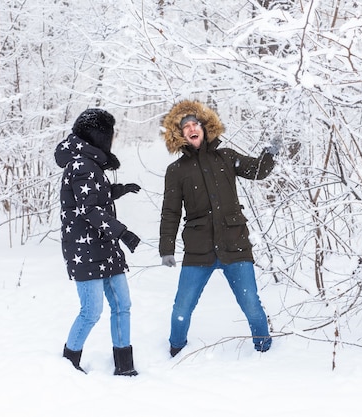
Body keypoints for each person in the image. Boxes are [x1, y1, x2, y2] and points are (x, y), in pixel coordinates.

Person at [159, 99, 279, 357]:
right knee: (182, 308)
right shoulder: (176, 171)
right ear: (180, 134)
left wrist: (272, 152)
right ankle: (175, 349)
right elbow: (170, 211)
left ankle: (265, 351)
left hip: (234, 244)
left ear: (204, 128)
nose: (192, 128)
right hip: (198, 250)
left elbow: (258, 170)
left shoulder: (227, 157)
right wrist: (166, 248)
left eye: (195, 123)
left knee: (251, 304)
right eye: (186, 126)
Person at [55, 108, 142, 376]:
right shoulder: (81, 164)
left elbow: (95, 196)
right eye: (109, 134)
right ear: (98, 136)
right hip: (85, 248)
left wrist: (119, 190)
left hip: (103, 244)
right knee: (91, 311)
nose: (112, 139)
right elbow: (88, 209)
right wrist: (123, 232)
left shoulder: (90, 163)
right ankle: (68, 362)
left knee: (122, 305)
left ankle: (124, 366)